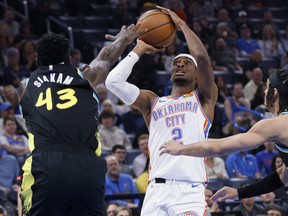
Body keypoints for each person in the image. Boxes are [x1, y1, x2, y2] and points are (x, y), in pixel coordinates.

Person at [19, 24, 144, 215]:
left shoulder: (24, 85)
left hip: (47, 163)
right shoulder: (86, 74)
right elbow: (106, 56)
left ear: (37, 59)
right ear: (69, 58)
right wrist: (124, 39)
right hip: (87, 166)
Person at [105, 6, 217, 215]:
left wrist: (182, 25)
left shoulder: (203, 98)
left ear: (197, 76)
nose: (180, 65)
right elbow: (113, 82)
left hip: (189, 189)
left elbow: (202, 58)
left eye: (186, 64)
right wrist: (139, 49)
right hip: (156, 189)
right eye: (176, 63)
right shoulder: (152, 102)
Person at [159, 67, 288, 203]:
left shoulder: (275, 125)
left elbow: (218, 147)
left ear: (274, 93)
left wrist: (181, 148)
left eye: (267, 87)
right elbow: (283, 175)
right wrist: (240, 192)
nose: (265, 91)